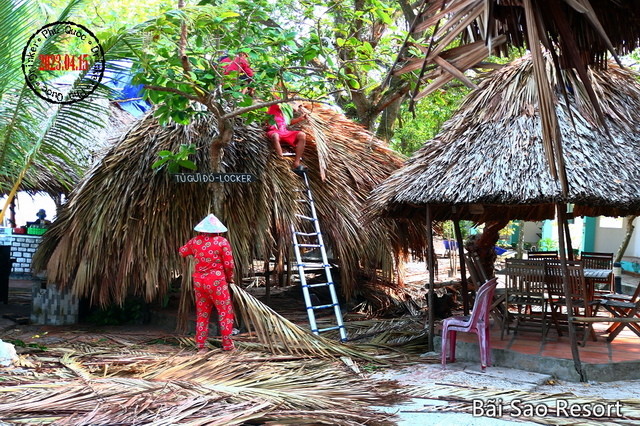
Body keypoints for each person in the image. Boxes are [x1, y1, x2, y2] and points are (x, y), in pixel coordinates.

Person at [179, 213, 236, 352]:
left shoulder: (195, 242)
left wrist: (192, 259)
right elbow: (229, 265)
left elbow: (182, 252)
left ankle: (201, 345)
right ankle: (228, 345)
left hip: (199, 282)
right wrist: (230, 278)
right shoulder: (222, 242)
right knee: (225, 312)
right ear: (217, 229)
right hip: (217, 283)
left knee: (202, 313)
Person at [266, 102, 308, 171]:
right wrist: (297, 104)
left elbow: (288, 123)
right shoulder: (272, 105)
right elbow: (294, 108)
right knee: (275, 136)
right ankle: (281, 159)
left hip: (285, 132)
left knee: (302, 135)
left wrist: (299, 119)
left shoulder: (284, 112)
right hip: (273, 131)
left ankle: (296, 163)